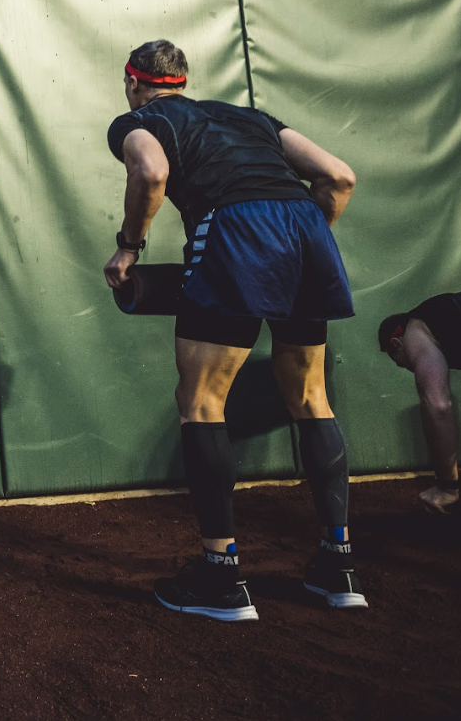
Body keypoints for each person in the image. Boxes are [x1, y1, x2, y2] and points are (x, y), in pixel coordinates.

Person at [103, 41, 363, 622]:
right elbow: (339, 177)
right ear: (184, 80)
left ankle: (221, 578)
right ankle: (338, 566)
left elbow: (151, 170)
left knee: (200, 402)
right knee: (310, 396)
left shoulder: (141, 119)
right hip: (305, 231)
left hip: (233, 228)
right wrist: (294, 245)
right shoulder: (251, 118)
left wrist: (128, 249)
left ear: (132, 80)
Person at [379, 285, 461, 514]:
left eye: (401, 362)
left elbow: (438, 407)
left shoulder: (415, 332)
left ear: (396, 344)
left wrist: (448, 488)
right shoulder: (437, 318)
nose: (409, 368)